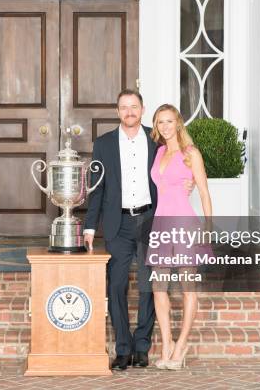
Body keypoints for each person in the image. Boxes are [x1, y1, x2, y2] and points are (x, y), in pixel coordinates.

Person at [83, 90, 194, 371]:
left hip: (151, 220)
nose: (129, 111)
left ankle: (142, 347)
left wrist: (189, 183)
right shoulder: (103, 144)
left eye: (134, 106)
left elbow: (181, 163)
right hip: (117, 224)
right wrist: (89, 227)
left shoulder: (156, 140)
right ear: (117, 111)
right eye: (124, 107)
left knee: (150, 287)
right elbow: (96, 190)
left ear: (143, 110)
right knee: (116, 286)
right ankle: (123, 348)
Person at [146, 104, 213, 370]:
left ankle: (182, 343)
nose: (164, 126)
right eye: (160, 122)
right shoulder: (159, 151)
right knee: (158, 289)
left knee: (188, 289)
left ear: (178, 123)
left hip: (185, 225)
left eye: (169, 121)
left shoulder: (191, 153)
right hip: (161, 225)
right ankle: (167, 343)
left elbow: (205, 192)